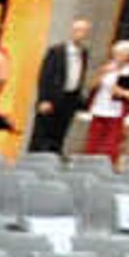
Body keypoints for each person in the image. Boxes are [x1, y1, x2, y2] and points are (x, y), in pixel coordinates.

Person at [29, 16, 94, 155]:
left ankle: (54, 157)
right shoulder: (56, 51)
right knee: (43, 132)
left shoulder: (84, 53)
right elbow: (45, 76)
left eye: (84, 31)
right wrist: (44, 99)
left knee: (60, 132)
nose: (80, 34)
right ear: (72, 31)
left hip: (70, 98)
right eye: (78, 30)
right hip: (52, 97)